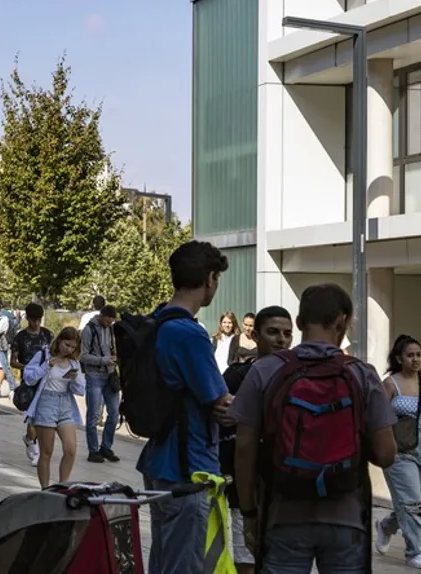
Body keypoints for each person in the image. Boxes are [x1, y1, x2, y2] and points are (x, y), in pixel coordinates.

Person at [230, 283, 397, 574]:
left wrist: (249, 513)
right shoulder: (361, 374)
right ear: (342, 322)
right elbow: (386, 454)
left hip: (282, 515)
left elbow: (243, 449)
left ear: (298, 322)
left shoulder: (266, 370)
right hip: (347, 517)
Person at [136, 240, 233, 574]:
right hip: (189, 468)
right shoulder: (190, 334)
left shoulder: (156, 323)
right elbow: (221, 402)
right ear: (209, 279)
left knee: (162, 561)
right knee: (184, 566)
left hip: (158, 463)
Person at [218, 306, 292, 574]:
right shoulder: (236, 376)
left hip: (288, 487)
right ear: (255, 335)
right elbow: (222, 424)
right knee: (246, 557)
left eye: (287, 333)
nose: (281, 339)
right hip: (244, 487)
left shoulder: (300, 379)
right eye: (273, 332)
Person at [376, 334, 421, 569]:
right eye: (410, 355)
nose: (415, 360)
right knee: (412, 502)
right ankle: (414, 551)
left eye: (418, 355)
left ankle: (385, 526)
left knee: (411, 503)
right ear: (398, 358)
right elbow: (378, 419)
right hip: (397, 452)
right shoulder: (390, 384)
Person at [23, 325, 86, 488]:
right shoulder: (43, 355)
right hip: (46, 403)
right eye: (67, 345)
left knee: (71, 449)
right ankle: (45, 489)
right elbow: (29, 378)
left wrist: (75, 378)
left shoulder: (74, 363)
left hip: (65, 404)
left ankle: (63, 486)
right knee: (46, 452)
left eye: (73, 347)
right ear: (59, 341)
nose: (69, 349)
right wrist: (47, 366)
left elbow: (80, 390)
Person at [11, 303, 53, 467]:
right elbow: (13, 361)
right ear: (27, 318)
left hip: (46, 381)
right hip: (29, 381)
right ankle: (32, 443)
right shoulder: (20, 337)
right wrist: (27, 367)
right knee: (32, 417)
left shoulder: (48, 335)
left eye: (39, 320)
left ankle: (36, 445)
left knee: (42, 416)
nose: (36, 323)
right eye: (33, 320)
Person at [81, 304, 120, 463]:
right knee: (93, 415)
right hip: (94, 375)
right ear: (102, 316)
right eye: (108, 319)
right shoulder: (89, 329)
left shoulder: (110, 329)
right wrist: (103, 360)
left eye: (112, 320)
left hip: (110, 374)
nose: (110, 323)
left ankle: (106, 446)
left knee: (114, 413)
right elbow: (83, 356)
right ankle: (93, 450)